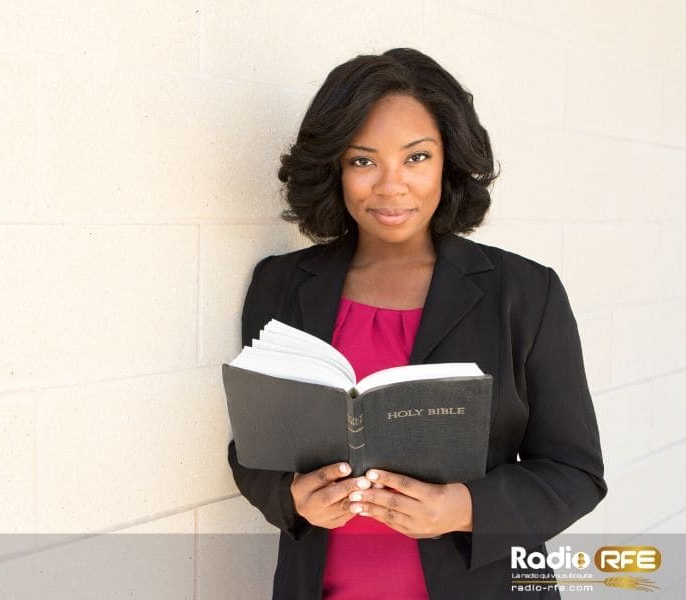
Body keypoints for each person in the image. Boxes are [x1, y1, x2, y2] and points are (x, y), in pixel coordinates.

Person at [227, 48, 607, 600]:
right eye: (363, 161)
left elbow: (575, 472)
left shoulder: (524, 292)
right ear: (333, 166)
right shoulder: (280, 285)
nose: (390, 186)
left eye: (416, 158)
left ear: (448, 160)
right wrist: (292, 497)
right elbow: (252, 451)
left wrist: (463, 508)